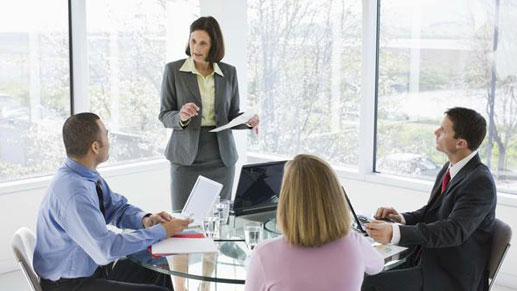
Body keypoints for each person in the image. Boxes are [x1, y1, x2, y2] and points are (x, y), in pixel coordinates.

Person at [33, 112, 193, 291]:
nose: (109, 139)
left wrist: (146, 219)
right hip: (70, 285)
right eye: (106, 134)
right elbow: (106, 249)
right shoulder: (75, 193)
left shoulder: (85, 175)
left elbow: (116, 208)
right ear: (95, 146)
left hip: (90, 269)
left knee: (156, 258)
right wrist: (161, 231)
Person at [362, 107, 497, 291]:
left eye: (443, 130)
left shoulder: (480, 182)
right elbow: (433, 212)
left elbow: (453, 231)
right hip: (429, 260)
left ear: (460, 143)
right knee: (364, 273)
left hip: (451, 275)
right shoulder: (451, 168)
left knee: (369, 283)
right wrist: (400, 219)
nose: (436, 132)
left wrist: (394, 233)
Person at [159, 16, 259, 212]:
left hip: (221, 158)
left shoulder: (229, 72)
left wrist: (247, 121)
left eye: (203, 43)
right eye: (193, 41)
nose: (196, 47)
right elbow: (164, 114)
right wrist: (181, 117)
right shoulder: (174, 71)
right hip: (185, 157)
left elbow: (231, 115)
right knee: (182, 218)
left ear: (214, 45)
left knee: (221, 219)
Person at [245, 154, 384, 291]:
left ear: (287, 201)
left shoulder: (264, 254)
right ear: (335, 198)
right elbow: (377, 266)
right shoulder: (355, 242)